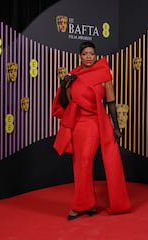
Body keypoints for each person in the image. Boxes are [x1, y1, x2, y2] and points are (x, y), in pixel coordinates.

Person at [52, 41, 131, 220]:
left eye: (91, 53)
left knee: (85, 161)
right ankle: (89, 204)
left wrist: (116, 127)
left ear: (96, 56)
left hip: (94, 123)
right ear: (80, 56)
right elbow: (65, 103)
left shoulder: (104, 74)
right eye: (85, 53)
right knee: (79, 164)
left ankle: (79, 205)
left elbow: (110, 103)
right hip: (77, 124)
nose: (88, 56)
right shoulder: (75, 75)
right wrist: (64, 85)